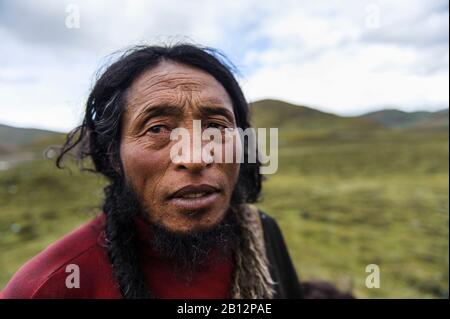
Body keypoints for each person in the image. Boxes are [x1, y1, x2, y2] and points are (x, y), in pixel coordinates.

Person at [1, 44, 303, 299]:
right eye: (158, 128)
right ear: (113, 155)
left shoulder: (264, 235)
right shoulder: (49, 286)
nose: (195, 157)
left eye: (215, 126)